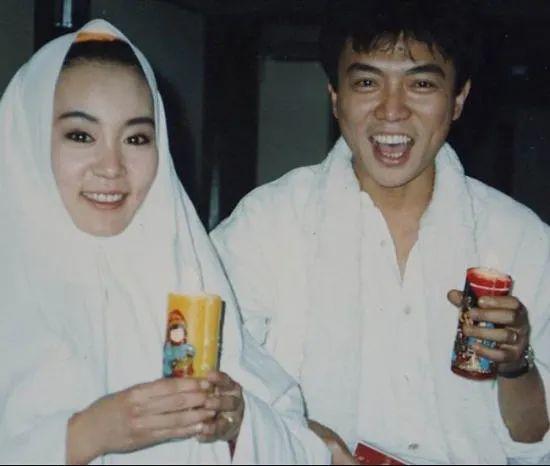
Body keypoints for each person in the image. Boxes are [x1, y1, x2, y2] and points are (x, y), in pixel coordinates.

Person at [211, 1, 550, 464]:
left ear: (458, 99)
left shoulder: (520, 238)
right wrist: (299, 432)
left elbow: (535, 440)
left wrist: (515, 365)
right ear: (335, 96)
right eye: (367, 83)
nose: (392, 111)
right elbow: (207, 370)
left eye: (421, 84)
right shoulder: (269, 223)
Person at [0, 20, 329, 465]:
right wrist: (84, 435)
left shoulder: (186, 274)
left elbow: (298, 444)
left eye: (136, 138)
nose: (112, 166)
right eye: (81, 136)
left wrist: (239, 425)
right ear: (27, 138)